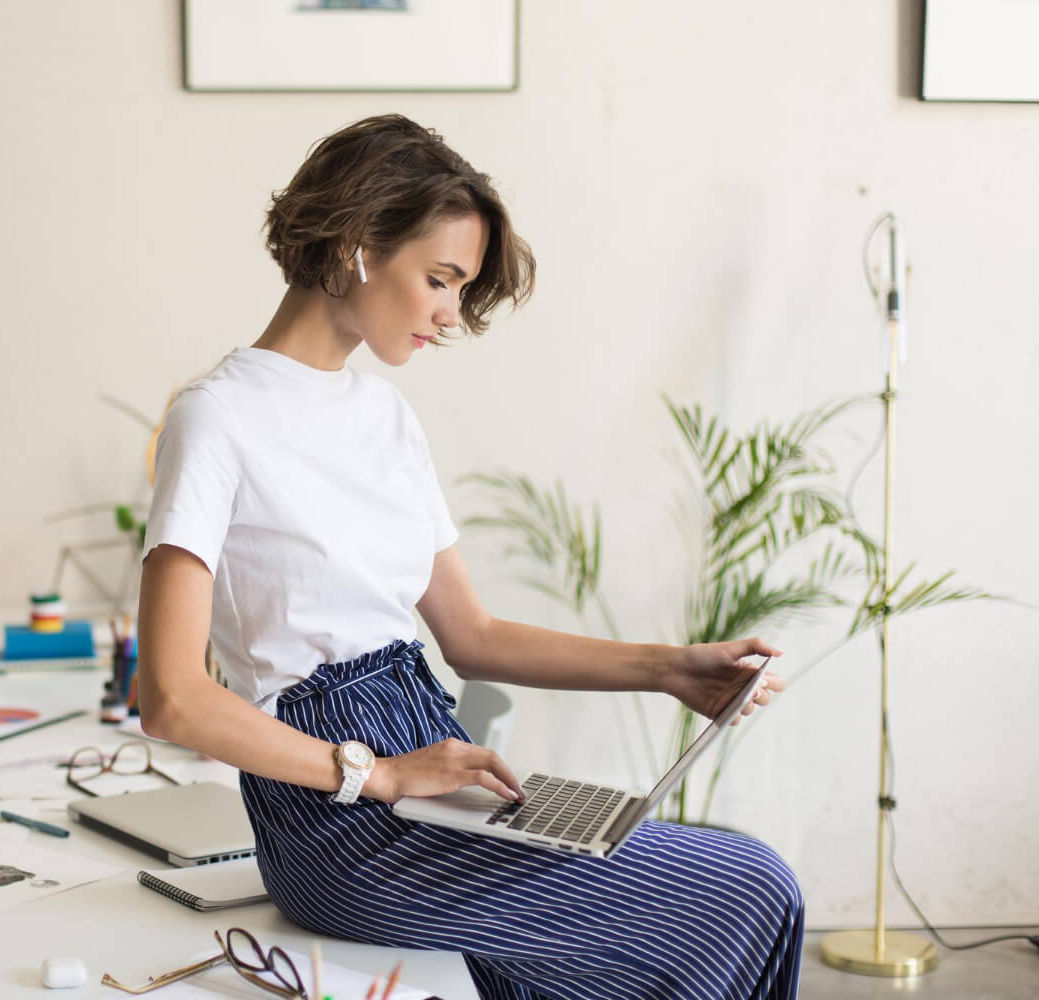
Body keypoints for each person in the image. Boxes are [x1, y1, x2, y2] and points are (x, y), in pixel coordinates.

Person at [136, 114, 804, 1000]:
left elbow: (474, 635)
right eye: (440, 279)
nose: (453, 314)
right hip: (338, 821)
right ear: (353, 246)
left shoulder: (386, 419)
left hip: (428, 763)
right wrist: (374, 774)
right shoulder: (216, 418)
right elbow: (171, 698)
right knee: (750, 889)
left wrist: (669, 668)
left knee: (734, 895)